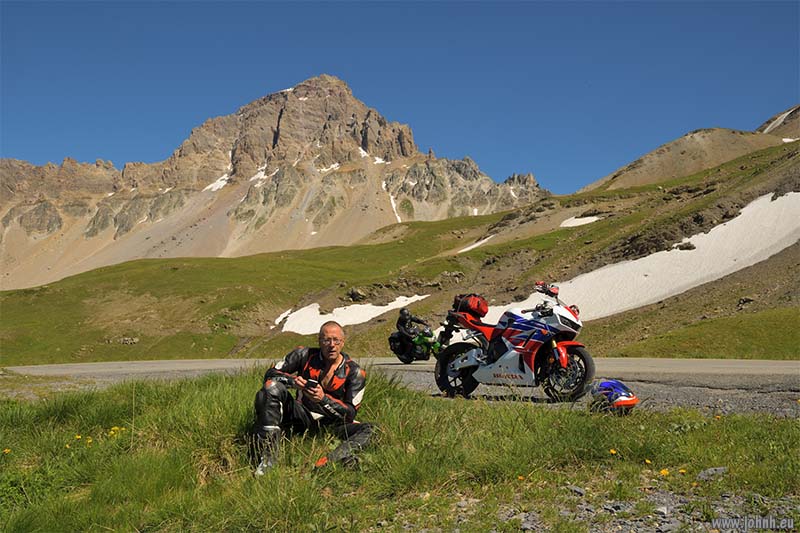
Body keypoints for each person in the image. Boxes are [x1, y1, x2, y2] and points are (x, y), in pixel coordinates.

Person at [252, 321, 372, 474]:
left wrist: (323, 399)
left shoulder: (355, 372)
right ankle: (268, 459)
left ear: (343, 342)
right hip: (303, 415)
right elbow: (270, 375)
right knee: (270, 388)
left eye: (336, 340)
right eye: (326, 340)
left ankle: (329, 461)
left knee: (373, 429)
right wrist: (294, 382)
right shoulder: (303, 354)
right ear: (319, 341)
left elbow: (350, 414)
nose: (331, 345)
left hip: (334, 425)